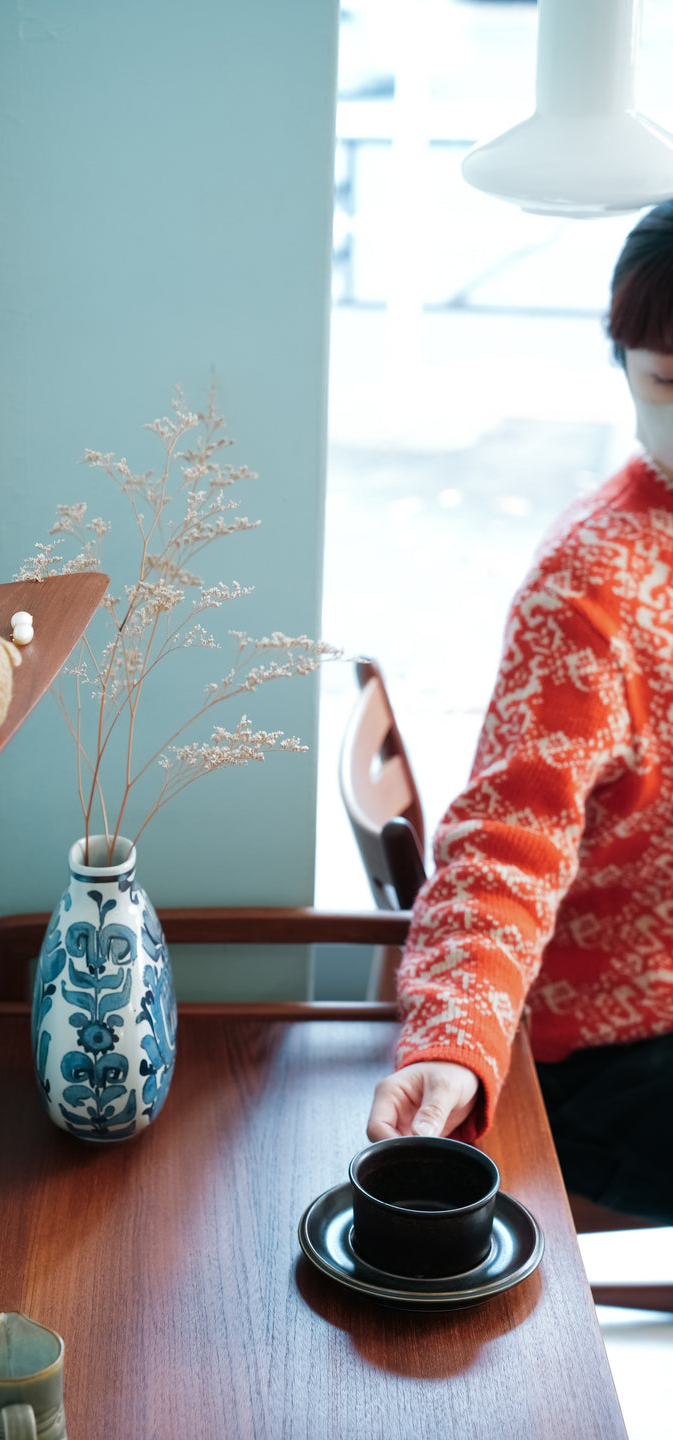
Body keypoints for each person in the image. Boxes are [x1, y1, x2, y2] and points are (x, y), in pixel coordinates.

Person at [366, 200, 673, 1224]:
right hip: (612, 1051)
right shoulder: (590, 587)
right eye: (669, 380)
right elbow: (508, 839)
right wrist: (452, 1041)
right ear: (625, 370)